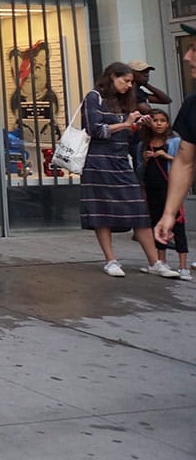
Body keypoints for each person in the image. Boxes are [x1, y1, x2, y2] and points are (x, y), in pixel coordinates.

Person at [80, 62, 180, 279]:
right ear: (112, 77)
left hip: (121, 161)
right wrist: (126, 123)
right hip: (99, 162)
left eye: (131, 82)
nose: (128, 85)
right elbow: (94, 129)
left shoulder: (125, 101)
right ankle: (110, 260)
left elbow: (127, 130)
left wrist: (138, 124)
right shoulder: (94, 97)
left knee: (139, 210)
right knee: (102, 212)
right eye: (125, 80)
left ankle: (155, 262)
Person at [156, 30, 196, 252]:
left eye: (195, 50)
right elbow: (184, 162)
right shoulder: (192, 105)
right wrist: (169, 213)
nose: (187, 57)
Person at [139, 109, 189, 280]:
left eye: (162, 120)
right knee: (156, 222)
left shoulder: (175, 142)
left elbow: (185, 163)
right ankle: (161, 261)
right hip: (152, 189)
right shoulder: (144, 144)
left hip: (171, 188)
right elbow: (139, 170)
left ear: (168, 123)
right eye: (155, 120)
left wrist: (166, 156)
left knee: (178, 224)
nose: (159, 123)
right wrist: (145, 160)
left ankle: (183, 266)